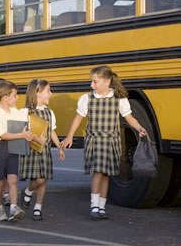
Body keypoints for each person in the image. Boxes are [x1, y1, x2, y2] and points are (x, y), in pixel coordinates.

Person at [61, 65, 147, 220]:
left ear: (107, 82)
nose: (91, 85)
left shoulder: (119, 99)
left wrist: (140, 128)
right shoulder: (87, 98)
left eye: (95, 82)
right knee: (98, 172)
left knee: (107, 174)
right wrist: (69, 136)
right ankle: (94, 205)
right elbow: (78, 118)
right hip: (95, 140)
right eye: (91, 82)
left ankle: (101, 206)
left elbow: (129, 118)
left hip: (111, 141)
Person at [19, 79, 65, 221]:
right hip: (31, 150)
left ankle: (38, 208)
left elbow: (52, 131)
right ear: (37, 93)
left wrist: (59, 146)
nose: (51, 94)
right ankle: (27, 191)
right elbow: (21, 131)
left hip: (45, 150)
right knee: (38, 179)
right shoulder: (24, 112)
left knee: (43, 179)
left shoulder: (49, 112)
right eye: (48, 91)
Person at [0, 80, 33, 221]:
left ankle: (14, 207)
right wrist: (21, 135)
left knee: (13, 179)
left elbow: (24, 127)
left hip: (13, 149)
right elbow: (1, 135)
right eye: (15, 95)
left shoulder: (15, 112)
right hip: (0, 149)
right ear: (5, 98)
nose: (17, 98)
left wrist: (30, 134)